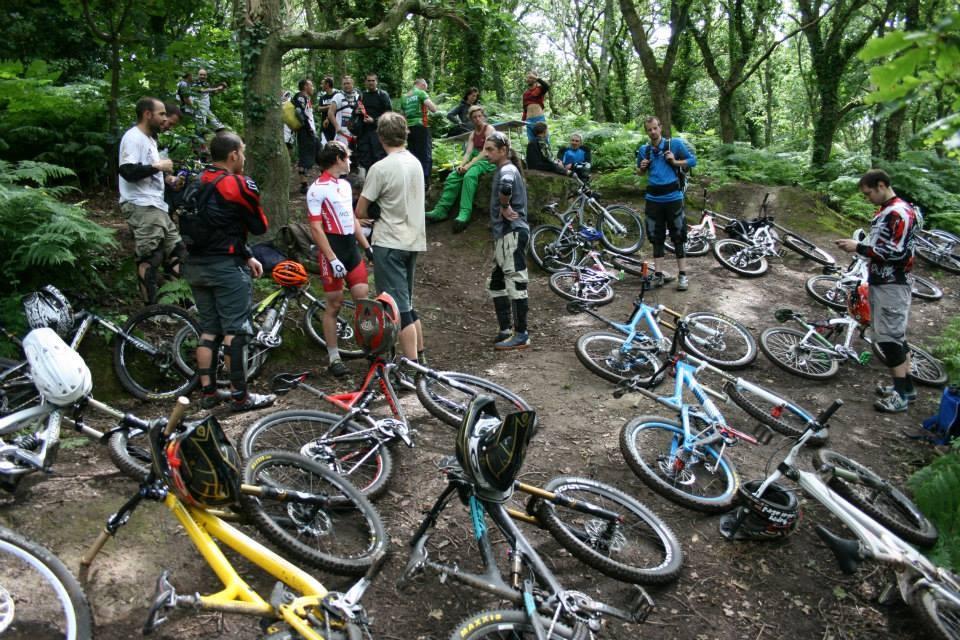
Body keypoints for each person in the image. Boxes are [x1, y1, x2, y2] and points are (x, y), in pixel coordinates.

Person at [182, 131, 275, 412]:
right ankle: (240, 395)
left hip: (195, 265)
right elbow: (259, 226)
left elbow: (213, 228)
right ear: (233, 154)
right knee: (236, 330)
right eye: (242, 152)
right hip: (225, 268)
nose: (244, 158)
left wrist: (247, 255)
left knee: (209, 330)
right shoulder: (236, 184)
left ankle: (209, 393)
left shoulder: (194, 181)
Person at [835, 169, 919, 413]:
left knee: (889, 341)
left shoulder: (899, 212)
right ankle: (907, 388)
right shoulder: (888, 210)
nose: (867, 198)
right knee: (895, 338)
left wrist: (858, 247)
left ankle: (901, 396)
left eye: (868, 193)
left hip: (893, 283)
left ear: (881, 185)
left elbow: (897, 253)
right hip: (883, 281)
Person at [355, 112, 427, 365]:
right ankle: (420, 357)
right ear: (405, 133)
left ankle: (411, 367)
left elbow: (360, 210)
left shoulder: (380, 168)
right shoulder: (415, 162)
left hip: (389, 242)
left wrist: (370, 216)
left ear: (380, 136)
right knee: (406, 300)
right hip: (413, 239)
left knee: (398, 307)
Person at [306, 142, 373, 377]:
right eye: (348, 157)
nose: (351, 160)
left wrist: (367, 247)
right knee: (333, 305)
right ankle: (334, 357)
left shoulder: (345, 185)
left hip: (351, 250)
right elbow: (315, 227)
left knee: (363, 303)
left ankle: (370, 349)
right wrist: (332, 258)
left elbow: (352, 219)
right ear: (338, 158)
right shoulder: (316, 189)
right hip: (332, 250)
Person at [118, 97, 187, 306]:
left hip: (157, 205)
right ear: (148, 114)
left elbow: (148, 171)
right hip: (141, 205)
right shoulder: (133, 137)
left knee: (177, 252)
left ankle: (177, 302)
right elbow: (127, 171)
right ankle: (150, 310)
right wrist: (158, 167)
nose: (165, 119)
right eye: (162, 114)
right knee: (150, 256)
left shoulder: (150, 140)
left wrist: (170, 180)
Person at [635, 116, 696, 292]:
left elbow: (692, 161)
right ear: (646, 131)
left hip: (673, 198)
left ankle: (683, 275)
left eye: (655, 128)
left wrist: (675, 162)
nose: (653, 132)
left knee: (678, 235)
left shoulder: (674, 144)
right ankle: (659, 275)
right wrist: (642, 168)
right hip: (653, 199)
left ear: (660, 127)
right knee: (656, 237)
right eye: (649, 129)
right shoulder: (644, 150)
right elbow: (639, 172)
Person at [484, 132, 531, 351]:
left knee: (516, 281)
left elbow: (506, 187)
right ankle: (506, 329)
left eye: (490, 149)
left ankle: (521, 334)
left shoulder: (508, 169)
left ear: (503, 150)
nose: (486, 153)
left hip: (512, 232)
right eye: (486, 149)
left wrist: (505, 206)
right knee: (496, 282)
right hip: (504, 236)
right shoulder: (504, 169)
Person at [425, 104, 496, 233]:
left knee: (469, 176)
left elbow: (485, 151)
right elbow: (468, 153)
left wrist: (468, 166)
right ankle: (441, 210)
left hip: (487, 160)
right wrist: (462, 165)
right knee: (454, 175)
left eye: (480, 116)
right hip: (474, 159)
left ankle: (465, 213)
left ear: (484, 117)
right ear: (471, 119)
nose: (477, 119)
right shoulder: (472, 134)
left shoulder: (489, 129)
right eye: (474, 117)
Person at [355, 73, 393, 178]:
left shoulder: (383, 95)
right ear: (365, 82)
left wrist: (374, 120)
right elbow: (356, 111)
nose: (371, 83)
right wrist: (357, 111)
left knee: (379, 157)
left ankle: (381, 182)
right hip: (364, 132)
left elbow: (388, 113)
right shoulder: (362, 96)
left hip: (378, 132)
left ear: (376, 82)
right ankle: (369, 183)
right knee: (365, 158)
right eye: (369, 80)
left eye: (373, 81)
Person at [402, 78, 439, 184]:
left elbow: (402, 115)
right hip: (421, 126)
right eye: (426, 87)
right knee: (425, 154)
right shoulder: (420, 93)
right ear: (422, 85)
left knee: (412, 153)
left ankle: (413, 180)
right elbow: (433, 108)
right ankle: (425, 181)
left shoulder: (404, 97)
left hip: (409, 129)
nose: (425, 89)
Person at [293, 78, 318, 194]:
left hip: (310, 131)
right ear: (305, 87)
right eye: (311, 85)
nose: (313, 88)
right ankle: (304, 185)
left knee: (318, 152)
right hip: (305, 132)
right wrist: (308, 129)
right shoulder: (300, 97)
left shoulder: (306, 98)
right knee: (305, 157)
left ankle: (322, 180)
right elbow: (299, 113)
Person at [328, 75, 361, 152]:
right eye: (344, 84)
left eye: (348, 83)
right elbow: (330, 113)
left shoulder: (358, 96)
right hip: (342, 132)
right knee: (342, 154)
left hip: (355, 132)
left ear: (352, 84)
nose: (346, 85)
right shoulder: (338, 96)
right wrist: (336, 126)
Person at [193, 68, 226, 134]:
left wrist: (221, 88)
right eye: (201, 74)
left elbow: (213, 91)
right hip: (200, 108)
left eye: (204, 75)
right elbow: (202, 90)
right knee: (201, 126)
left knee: (218, 125)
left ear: (206, 76)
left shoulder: (206, 84)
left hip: (207, 108)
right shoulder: (195, 83)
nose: (202, 76)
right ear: (198, 75)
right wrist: (216, 88)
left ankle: (222, 137)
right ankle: (199, 142)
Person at [522, 71, 550, 142]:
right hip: (529, 121)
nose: (528, 79)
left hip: (539, 119)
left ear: (535, 79)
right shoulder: (525, 93)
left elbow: (547, 86)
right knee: (531, 141)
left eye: (531, 77)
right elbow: (525, 110)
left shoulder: (540, 89)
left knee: (544, 140)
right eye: (528, 78)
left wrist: (536, 78)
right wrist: (522, 122)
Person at [316, 76, 338, 144]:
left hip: (335, 126)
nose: (321, 85)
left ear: (327, 84)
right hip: (325, 127)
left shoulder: (337, 95)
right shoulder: (322, 97)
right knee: (324, 145)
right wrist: (330, 106)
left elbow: (338, 108)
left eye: (323, 84)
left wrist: (328, 108)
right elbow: (319, 108)